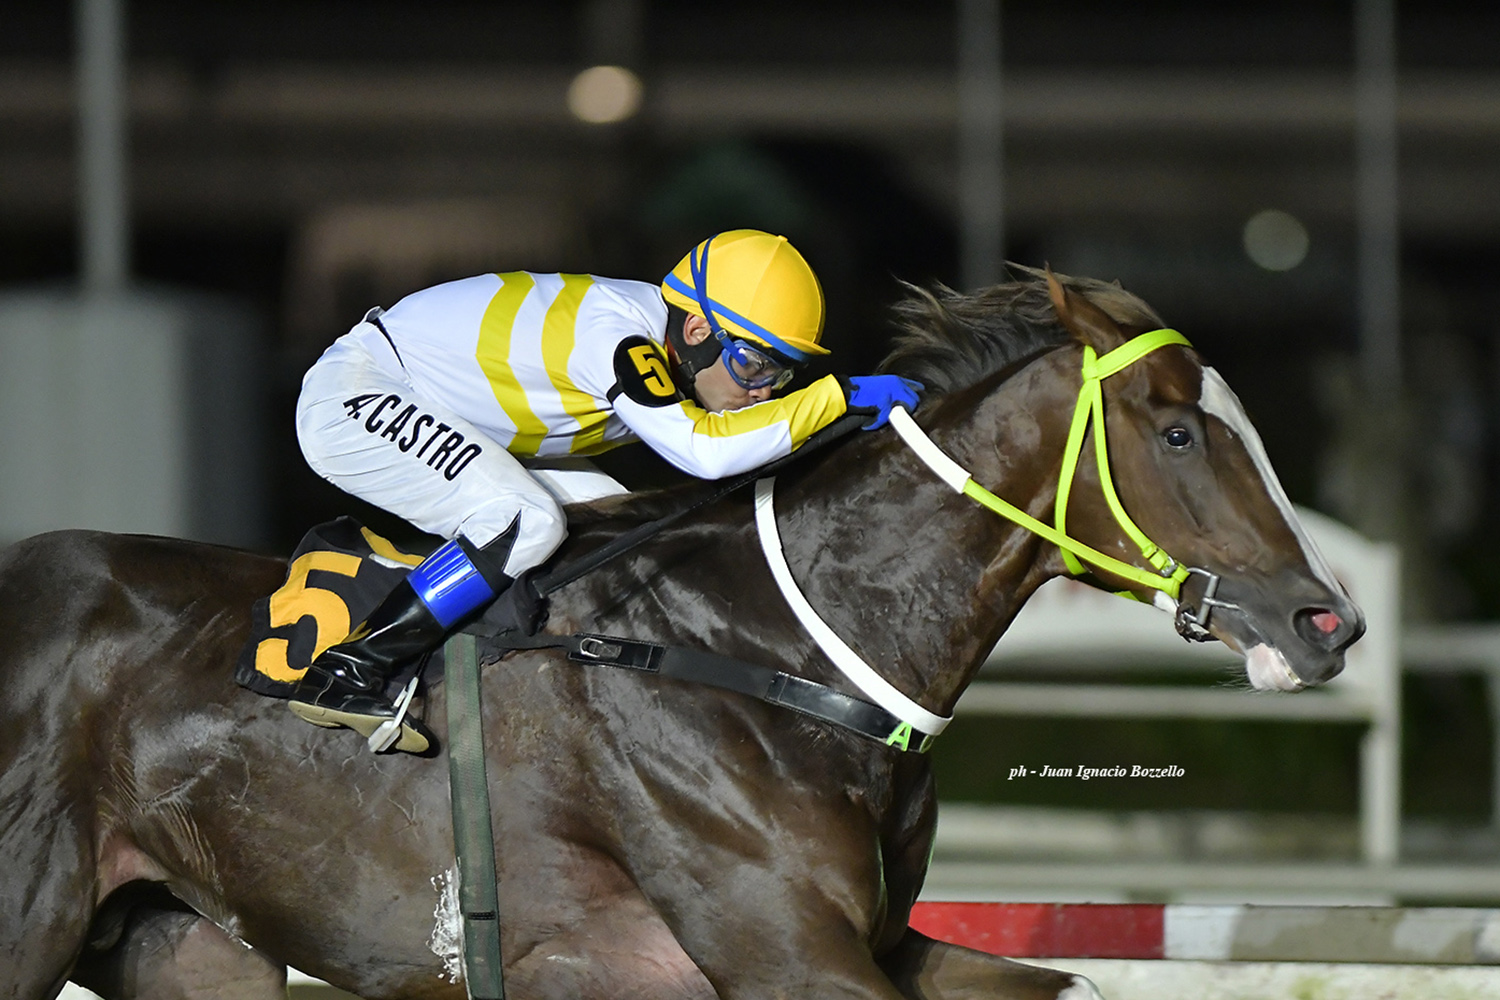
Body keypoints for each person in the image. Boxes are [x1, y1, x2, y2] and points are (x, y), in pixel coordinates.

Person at [288, 229, 922, 752]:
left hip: (451, 411)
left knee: (617, 530)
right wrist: (837, 396)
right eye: (753, 365)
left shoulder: (664, 337)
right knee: (527, 521)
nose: (763, 391)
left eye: (782, 374)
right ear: (696, 331)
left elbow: (732, 437)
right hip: (360, 393)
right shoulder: (617, 336)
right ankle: (350, 670)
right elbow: (707, 453)